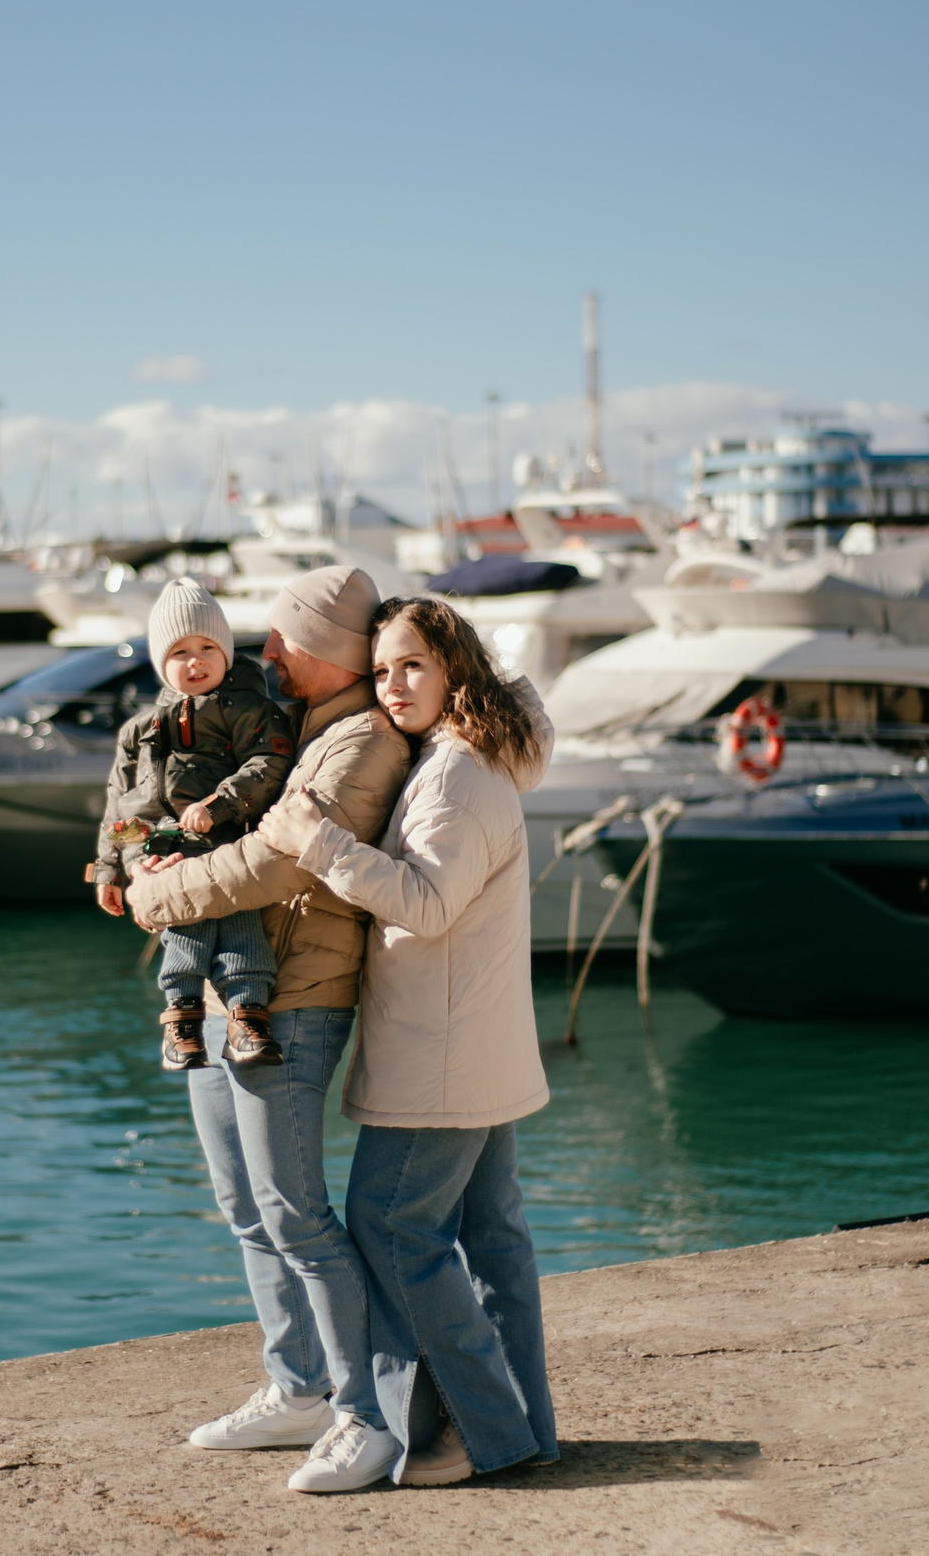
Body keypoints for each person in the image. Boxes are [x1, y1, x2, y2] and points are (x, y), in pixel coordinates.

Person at [257, 596, 558, 1488]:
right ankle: (522, 1429)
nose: (392, 684)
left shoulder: (458, 773)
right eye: (382, 668)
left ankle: (479, 1426)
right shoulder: (480, 753)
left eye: (412, 664)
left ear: (456, 669)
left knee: (390, 1225)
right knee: (493, 1239)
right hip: (479, 1046)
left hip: (444, 1053)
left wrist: (319, 841)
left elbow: (425, 902)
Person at [125, 565, 413, 1494]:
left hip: (295, 994)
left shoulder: (360, 740)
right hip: (225, 991)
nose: (268, 654)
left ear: (328, 652)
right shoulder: (293, 730)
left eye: (284, 641)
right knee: (246, 1209)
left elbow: (271, 864)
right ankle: (297, 1388)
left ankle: (363, 1417)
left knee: (295, 1211)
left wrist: (154, 892)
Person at [93, 578, 296, 1069]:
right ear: (162, 663)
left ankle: (248, 1014)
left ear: (226, 653)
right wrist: (110, 869)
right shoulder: (138, 731)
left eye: (207, 647)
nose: (195, 660)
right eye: (180, 651)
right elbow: (120, 805)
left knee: (240, 923)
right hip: (164, 848)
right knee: (183, 925)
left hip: (229, 841)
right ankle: (182, 1020)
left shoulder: (250, 709)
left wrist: (219, 805)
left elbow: (268, 764)